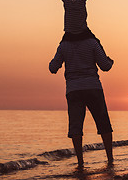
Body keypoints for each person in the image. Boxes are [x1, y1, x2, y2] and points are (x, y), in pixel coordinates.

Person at [49, 37, 114, 169]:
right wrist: (110, 61)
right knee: (103, 123)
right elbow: (105, 66)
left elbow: (53, 68)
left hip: (73, 90)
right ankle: (110, 159)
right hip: (93, 87)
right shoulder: (92, 42)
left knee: (75, 126)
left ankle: (80, 162)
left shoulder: (64, 45)